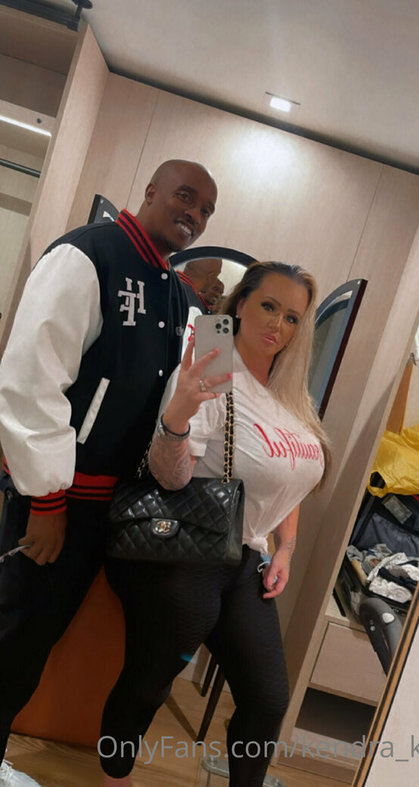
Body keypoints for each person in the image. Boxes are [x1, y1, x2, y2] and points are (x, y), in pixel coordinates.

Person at [0, 159, 218, 787]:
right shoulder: (87, 254)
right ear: (149, 191)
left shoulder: (180, 295)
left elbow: (198, 401)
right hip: (59, 502)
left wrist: (221, 332)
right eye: (185, 197)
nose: (194, 214)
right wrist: (46, 502)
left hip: (116, 512)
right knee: (14, 642)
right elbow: (31, 381)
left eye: (206, 210)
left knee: (37, 644)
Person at [99, 261, 329, 787]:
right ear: (241, 303)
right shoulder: (213, 367)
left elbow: (290, 479)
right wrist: (179, 414)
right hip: (188, 546)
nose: (277, 325)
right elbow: (170, 476)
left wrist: (286, 547)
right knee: (153, 678)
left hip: (246, 557)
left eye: (292, 317)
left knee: (268, 698)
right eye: (268, 306)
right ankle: (115, 777)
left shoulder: (292, 394)